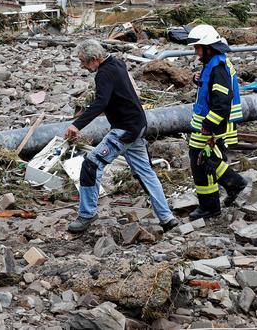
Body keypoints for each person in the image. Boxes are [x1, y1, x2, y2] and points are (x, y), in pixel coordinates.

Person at [64, 39, 176, 233]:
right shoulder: (117, 63)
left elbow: (101, 103)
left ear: (94, 59)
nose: (82, 66)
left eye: (83, 61)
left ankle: (86, 215)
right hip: (138, 126)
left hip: (123, 131)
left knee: (90, 165)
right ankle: (167, 218)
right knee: (146, 173)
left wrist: (77, 124)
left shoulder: (104, 74)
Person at [185, 24, 249, 219]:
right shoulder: (213, 63)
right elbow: (210, 89)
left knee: (205, 160)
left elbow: (221, 103)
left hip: (214, 125)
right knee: (203, 159)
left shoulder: (217, 68)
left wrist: (209, 126)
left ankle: (218, 199)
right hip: (210, 124)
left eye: (198, 47)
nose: (196, 52)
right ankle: (222, 195)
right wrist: (198, 79)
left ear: (209, 47)